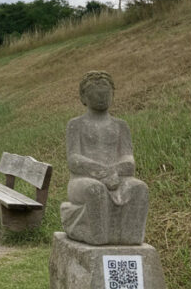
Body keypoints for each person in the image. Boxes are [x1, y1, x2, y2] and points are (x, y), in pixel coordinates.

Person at [59, 71, 149, 245]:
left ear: (112, 95)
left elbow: (129, 160)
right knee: (95, 190)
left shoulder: (121, 126)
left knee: (140, 188)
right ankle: (95, 235)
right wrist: (102, 173)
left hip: (118, 177)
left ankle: (130, 237)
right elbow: (74, 160)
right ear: (83, 96)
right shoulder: (76, 124)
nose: (102, 97)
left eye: (106, 93)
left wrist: (114, 172)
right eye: (96, 93)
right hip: (82, 180)